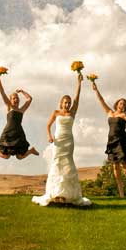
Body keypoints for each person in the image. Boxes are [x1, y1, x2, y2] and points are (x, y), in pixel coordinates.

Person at [32, 73, 91, 206]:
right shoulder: (56, 112)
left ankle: (67, 195)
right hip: (58, 140)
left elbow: (77, 99)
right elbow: (48, 125)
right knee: (57, 163)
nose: (67, 104)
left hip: (69, 141)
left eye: (69, 103)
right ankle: (56, 193)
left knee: (68, 165)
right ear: (61, 103)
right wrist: (49, 136)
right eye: (65, 102)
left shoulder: (72, 112)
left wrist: (79, 84)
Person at [91, 80, 126, 197]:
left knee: (123, 164)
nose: (122, 105)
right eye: (121, 103)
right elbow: (101, 101)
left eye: (124, 104)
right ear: (117, 104)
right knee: (115, 167)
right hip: (111, 141)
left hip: (121, 140)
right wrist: (96, 90)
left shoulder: (124, 115)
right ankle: (121, 193)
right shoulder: (110, 112)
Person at [0, 73, 39, 160]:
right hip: (8, 133)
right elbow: (2, 92)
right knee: (6, 156)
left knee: (20, 156)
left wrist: (22, 91)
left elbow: (29, 99)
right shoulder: (9, 107)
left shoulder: (21, 110)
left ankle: (31, 151)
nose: (16, 99)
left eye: (17, 98)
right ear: (10, 100)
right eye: (14, 98)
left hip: (18, 134)